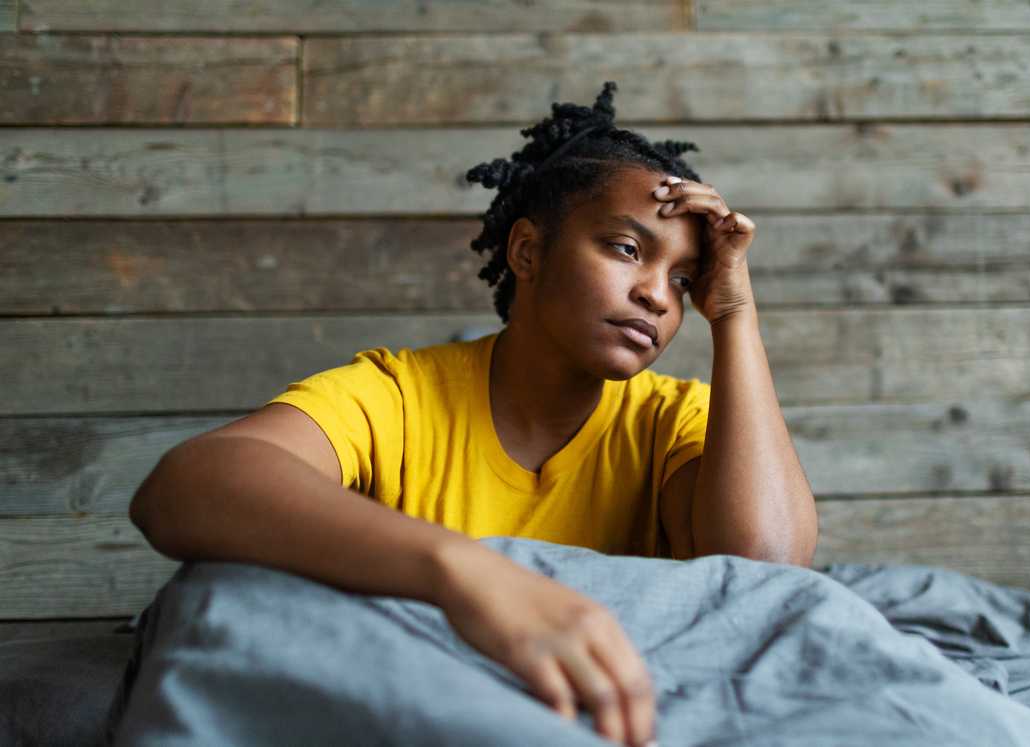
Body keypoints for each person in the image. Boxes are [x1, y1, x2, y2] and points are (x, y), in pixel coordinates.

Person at [128, 80, 818, 747]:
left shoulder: (677, 420)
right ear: (527, 251)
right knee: (216, 591)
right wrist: (466, 573)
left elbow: (764, 573)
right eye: (627, 249)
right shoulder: (400, 395)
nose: (657, 297)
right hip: (424, 709)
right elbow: (182, 489)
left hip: (621, 718)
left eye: (683, 280)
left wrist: (735, 314)